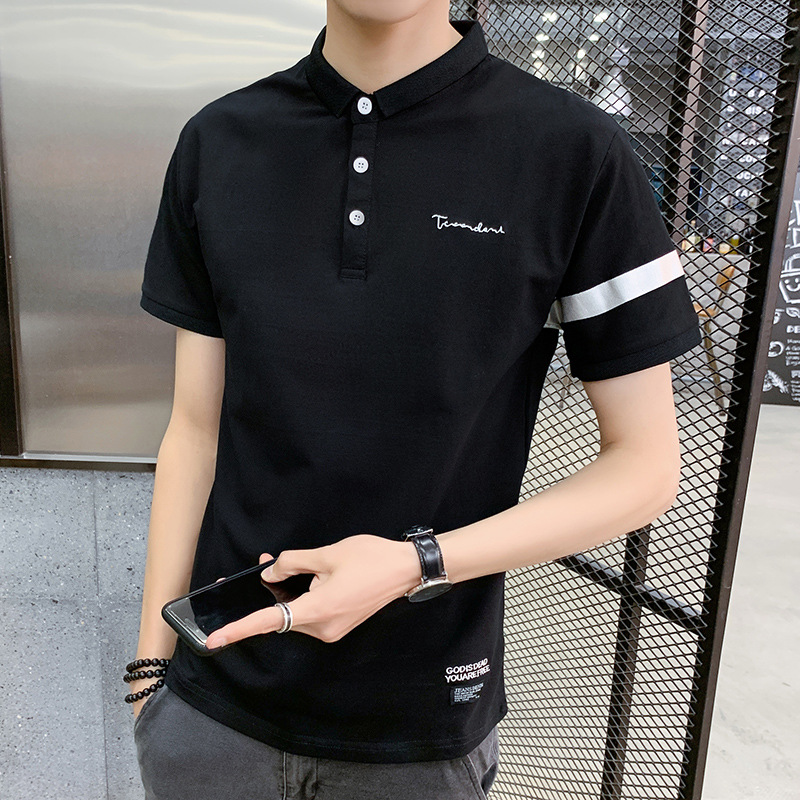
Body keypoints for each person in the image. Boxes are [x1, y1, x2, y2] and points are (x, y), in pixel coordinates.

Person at [129, 1, 702, 798]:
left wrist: (416, 564)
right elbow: (195, 430)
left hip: (423, 727)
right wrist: (151, 670)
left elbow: (645, 468)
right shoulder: (219, 140)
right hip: (210, 710)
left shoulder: (575, 151)